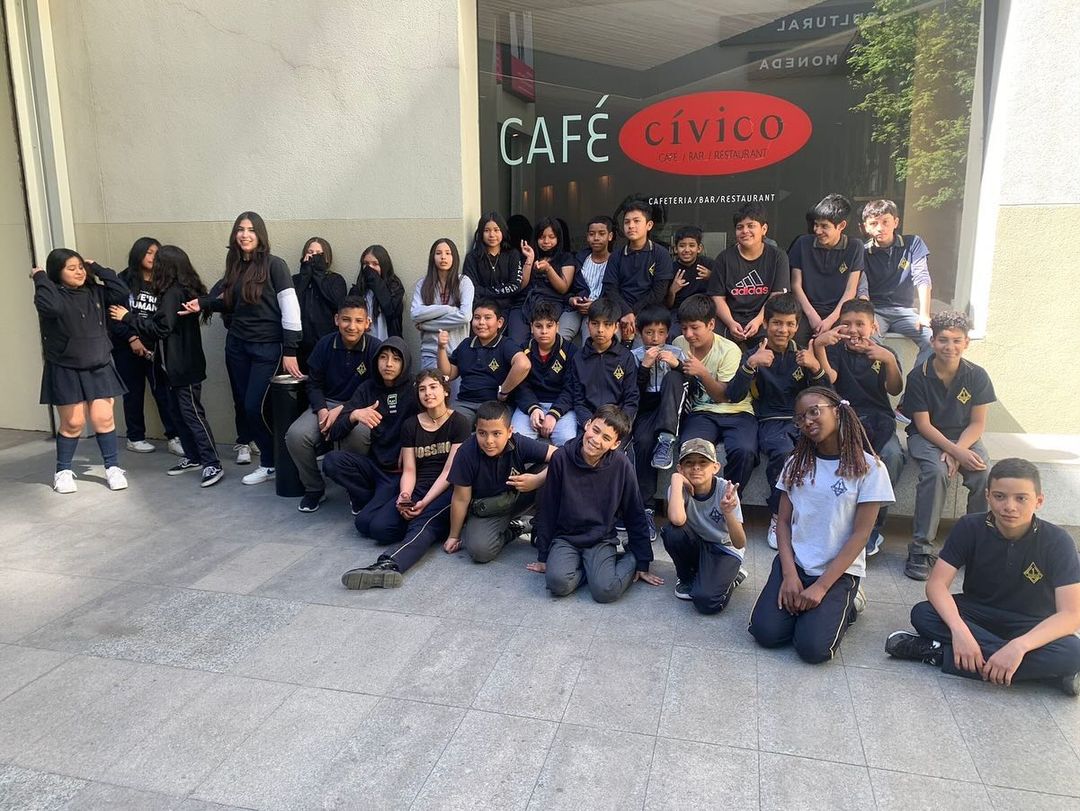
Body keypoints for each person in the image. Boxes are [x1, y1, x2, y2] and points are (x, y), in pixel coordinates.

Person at [886, 458, 1080, 696]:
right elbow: (936, 585)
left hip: (1029, 623)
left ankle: (940, 654)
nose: (1009, 506)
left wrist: (1019, 647)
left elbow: (1071, 614)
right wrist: (961, 632)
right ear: (988, 496)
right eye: (1000, 496)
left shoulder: (1057, 541)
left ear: (1038, 501)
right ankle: (1045, 674)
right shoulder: (970, 527)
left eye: (1021, 498)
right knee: (923, 613)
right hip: (978, 614)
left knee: (1075, 651)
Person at [748, 387, 894, 663]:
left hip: (837, 572)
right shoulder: (796, 463)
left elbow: (861, 534)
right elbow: (783, 523)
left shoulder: (869, 468)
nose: (807, 421)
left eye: (814, 412)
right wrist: (789, 575)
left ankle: (849, 604)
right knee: (766, 633)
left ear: (837, 412)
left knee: (813, 649)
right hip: (797, 565)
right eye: (800, 418)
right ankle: (811, 609)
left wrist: (821, 587)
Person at [182, 211, 303, 482]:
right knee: (243, 405)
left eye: (250, 229)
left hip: (267, 349)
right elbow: (230, 303)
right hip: (237, 346)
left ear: (260, 235)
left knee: (254, 407)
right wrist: (203, 303)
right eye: (240, 229)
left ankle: (272, 462)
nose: (244, 234)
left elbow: (291, 309)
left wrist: (291, 350)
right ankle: (272, 460)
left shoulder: (275, 265)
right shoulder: (235, 266)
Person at [339, 371, 471, 589]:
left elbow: (449, 471)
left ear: (445, 391)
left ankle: (388, 565)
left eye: (433, 387)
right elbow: (409, 470)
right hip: (419, 485)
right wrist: (405, 496)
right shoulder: (411, 425)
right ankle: (433, 528)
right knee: (378, 528)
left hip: (448, 490)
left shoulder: (459, 422)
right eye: (422, 389)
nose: (428, 393)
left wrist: (424, 502)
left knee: (423, 526)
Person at [109, 245, 223, 488]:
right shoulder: (177, 290)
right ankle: (193, 457)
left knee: (192, 415)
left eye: (158, 261)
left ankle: (212, 463)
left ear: (168, 266)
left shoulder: (173, 293)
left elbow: (161, 328)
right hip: (170, 366)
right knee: (178, 413)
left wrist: (127, 318)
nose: (154, 266)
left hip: (182, 367)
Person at [527, 405, 664, 602]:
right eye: (595, 430)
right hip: (566, 537)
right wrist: (543, 555)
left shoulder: (621, 465)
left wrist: (642, 560)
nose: (596, 440)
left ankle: (629, 558)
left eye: (606, 438)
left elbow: (634, 512)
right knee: (557, 583)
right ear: (588, 424)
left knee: (605, 591)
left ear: (615, 444)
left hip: (600, 539)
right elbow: (548, 507)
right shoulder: (561, 458)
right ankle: (591, 572)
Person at [725, 294, 827, 548]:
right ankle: (777, 516)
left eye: (790, 324)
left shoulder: (802, 355)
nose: (783, 330)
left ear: (797, 325)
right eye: (777, 323)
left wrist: (815, 367)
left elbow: (825, 395)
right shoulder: (754, 353)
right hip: (769, 421)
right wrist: (751, 365)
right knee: (783, 454)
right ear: (765, 324)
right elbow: (733, 395)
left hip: (802, 421)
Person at [899, 311, 995, 580]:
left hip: (965, 437)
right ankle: (920, 550)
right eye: (943, 340)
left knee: (983, 474)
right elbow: (923, 425)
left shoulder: (977, 375)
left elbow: (977, 424)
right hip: (926, 437)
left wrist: (960, 450)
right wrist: (953, 452)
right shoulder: (918, 376)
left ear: (966, 343)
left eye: (956, 340)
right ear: (932, 341)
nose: (949, 346)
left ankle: (976, 546)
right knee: (936, 472)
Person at [33, 249, 130, 493]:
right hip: (65, 366)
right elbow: (52, 308)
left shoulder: (95, 291)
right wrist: (41, 278)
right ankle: (63, 471)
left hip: (98, 363)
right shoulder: (52, 294)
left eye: (80, 267)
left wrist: (97, 267)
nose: (79, 272)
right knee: (73, 422)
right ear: (57, 272)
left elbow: (122, 292)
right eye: (71, 268)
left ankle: (113, 468)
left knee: (103, 418)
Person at [813, 298, 904, 554]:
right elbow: (829, 380)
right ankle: (837, 523)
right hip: (843, 417)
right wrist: (819, 347)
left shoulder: (884, 353)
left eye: (860, 324)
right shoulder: (835, 350)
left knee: (892, 456)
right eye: (846, 324)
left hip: (879, 419)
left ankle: (872, 527)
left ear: (873, 327)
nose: (853, 330)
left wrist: (889, 361)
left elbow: (895, 389)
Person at [284, 296, 382, 512]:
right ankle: (314, 488)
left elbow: (376, 389)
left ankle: (355, 488)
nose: (352, 326)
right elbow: (314, 384)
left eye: (358, 320)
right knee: (296, 435)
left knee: (358, 435)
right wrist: (321, 410)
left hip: (360, 407)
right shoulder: (325, 344)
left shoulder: (375, 348)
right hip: (326, 404)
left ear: (367, 323)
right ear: (337, 319)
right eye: (346, 319)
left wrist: (345, 410)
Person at [444, 400, 555, 563]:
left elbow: (560, 456)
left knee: (552, 470)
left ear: (509, 432)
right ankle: (516, 528)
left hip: (518, 496)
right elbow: (461, 499)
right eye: (482, 433)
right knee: (479, 551)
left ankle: (541, 528)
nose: (489, 441)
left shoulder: (518, 442)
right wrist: (454, 536)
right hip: (487, 509)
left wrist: (537, 480)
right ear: (476, 430)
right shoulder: (466, 453)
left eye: (496, 434)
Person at [322, 336, 419, 520]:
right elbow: (334, 432)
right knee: (332, 461)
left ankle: (377, 504)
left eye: (396, 359)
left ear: (405, 362)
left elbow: (434, 420)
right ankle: (365, 497)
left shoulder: (415, 387)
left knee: (371, 523)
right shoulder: (367, 388)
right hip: (376, 466)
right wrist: (354, 415)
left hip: (405, 471)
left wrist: (410, 445)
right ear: (376, 360)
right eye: (383, 357)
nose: (388, 364)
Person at [674, 294, 757, 496]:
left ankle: (729, 500)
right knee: (690, 449)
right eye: (684, 328)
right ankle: (697, 502)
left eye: (695, 327)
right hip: (701, 412)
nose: (689, 334)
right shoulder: (678, 343)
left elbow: (724, 397)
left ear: (711, 324)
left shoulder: (729, 350)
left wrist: (702, 372)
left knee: (744, 450)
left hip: (737, 412)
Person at [109, 237, 182, 456]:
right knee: (133, 393)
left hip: (156, 346)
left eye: (156, 253)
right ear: (138, 253)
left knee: (164, 392)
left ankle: (174, 436)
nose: (153, 257)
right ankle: (135, 437)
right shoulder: (123, 280)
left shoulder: (164, 281)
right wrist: (132, 338)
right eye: (148, 252)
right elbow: (114, 316)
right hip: (126, 347)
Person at [663, 438, 748, 614]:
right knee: (672, 532)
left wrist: (728, 512)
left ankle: (732, 577)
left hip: (724, 550)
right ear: (680, 468)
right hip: (699, 545)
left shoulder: (726, 490)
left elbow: (740, 543)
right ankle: (687, 578)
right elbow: (677, 520)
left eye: (703, 462)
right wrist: (676, 480)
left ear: (715, 467)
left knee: (706, 602)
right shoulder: (678, 487)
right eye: (689, 463)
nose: (696, 467)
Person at [546, 296, 638, 437]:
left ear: (616, 327)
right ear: (588, 324)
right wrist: (587, 422)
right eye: (595, 323)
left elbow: (631, 397)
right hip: (588, 422)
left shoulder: (626, 357)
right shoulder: (578, 358)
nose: (600, 330)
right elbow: (578, 399)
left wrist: (621, 425)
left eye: (607, 324)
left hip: (617, 425)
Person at [860, 199, 933, 365]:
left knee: (932, 340)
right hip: (876, 311)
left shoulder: (913, 243)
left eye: (885, 222)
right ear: (866, 227)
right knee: (867, 341)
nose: (880, 228)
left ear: (896, 222)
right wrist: (868, 316)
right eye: (873, 223)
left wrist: (924, 314)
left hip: (904, 311)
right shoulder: (862, 252)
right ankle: (880, 381)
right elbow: (861, 288)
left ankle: (917, 379)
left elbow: (922, 277)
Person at [630, 304, 688, 513]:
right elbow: (633, 392)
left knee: (673, 377)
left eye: (661, 332)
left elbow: (691, 384)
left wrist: (677, 365)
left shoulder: (677, 352)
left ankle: (666, 438)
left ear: (668, 333)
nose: (655, 338)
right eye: (649, 332)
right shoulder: (634, 356)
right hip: (646, 409)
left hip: (673, 409)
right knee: (643, 442)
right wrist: (644, 367)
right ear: (639, 333)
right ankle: (646, 506)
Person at [437, 299, 531, 424]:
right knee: (449, 425)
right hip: (464, 403)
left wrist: (503, 391)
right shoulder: (466, 344)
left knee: (490, 429)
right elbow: (448, 374)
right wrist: (441, 348)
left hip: (495, 405)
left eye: (487, 318)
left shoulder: (506, 344)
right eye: (477, 317)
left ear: (499, 322)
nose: (481, 322)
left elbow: (524, 365)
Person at [789, 193, 865, 346]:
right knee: (795, 340)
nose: (817, 231)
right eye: (816, 225)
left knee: (839, 344)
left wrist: (830, 320)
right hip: (805, 310)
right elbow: (795, 285)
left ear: (841, 226)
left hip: (838, 312)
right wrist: (812, 316)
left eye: (824, 226)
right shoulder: (802, 243)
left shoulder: (855, 247)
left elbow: (850, 290)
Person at [710, 203, 790, 345]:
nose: (745, 231)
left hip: (765, 317)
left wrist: (758, 321)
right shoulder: (724, 258)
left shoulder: (778, 256)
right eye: (740, 227)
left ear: (764, 229)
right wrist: (731, 323)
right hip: (731, 317)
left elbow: (777, 296)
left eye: (751, 226)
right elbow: (717, 297)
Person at [601, 199, 674, 343]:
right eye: (627, 222)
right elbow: (611, 289)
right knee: (607, 342)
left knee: (643, 347)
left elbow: (658, 293)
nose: (631, 226)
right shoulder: (616, 255)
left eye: (636, 221)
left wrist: (632, 313)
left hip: (650, 313)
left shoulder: (661, 254)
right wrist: (625, 312)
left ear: (649, 225)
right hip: (620, 312)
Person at [511, 300, 578, 446]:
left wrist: (554, 414)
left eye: (549, 326)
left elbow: (571, 388)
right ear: (531, 327)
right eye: (538, 326)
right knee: (516, 440)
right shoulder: (522, 350)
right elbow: (520, 385)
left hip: (562, 407)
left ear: (557, 326)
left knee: (567, 441)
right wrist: (533, 408)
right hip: (529, 405)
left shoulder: (571, 351)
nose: (544, 331)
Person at [462, 212, 534, 344]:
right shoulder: (472, 258)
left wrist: (487, 291)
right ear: (481, 233)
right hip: (482, 309)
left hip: (509, 308)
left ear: (503, 231)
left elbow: (515, 285)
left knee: (514, 341)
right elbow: (472, 288)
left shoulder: (512, 254)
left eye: (496, 230)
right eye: (487, 230)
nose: (492, 235)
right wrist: (497, 293)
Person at [411, 238, 474, 374]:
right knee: (431, 388)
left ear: (454, 257)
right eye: (438, 253)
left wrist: (425, 325)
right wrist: (448, 309)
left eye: (448, 253)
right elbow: (415, 314)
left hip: (457, 353)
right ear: (432, 257)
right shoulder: (422, 284)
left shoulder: (464, 282)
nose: (443, 257)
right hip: (431, 352)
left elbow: (465, 316)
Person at [292, 237, 346, 372]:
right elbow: (292, 303)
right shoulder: (295, 280)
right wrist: (305, 275)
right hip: (300, 345)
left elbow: (337, 303)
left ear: (326, 257)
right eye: (310, 252)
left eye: (319, 254)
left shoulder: (335, 280)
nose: (314, 256)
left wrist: (318, 274)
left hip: (327, 343)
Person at [524, 217, 577, 339]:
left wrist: (548, 269)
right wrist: (529, 260)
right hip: (529, 302)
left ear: (558, 238)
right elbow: (522, 284)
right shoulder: (530, 256)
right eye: (542, 237)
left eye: (551, 237)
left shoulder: (566, 258)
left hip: (554, 303)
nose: (546, 241)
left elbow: (563, 288)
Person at [565, 215, 614, 342]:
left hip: (602, 312)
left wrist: (596, 305)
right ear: (587, 237)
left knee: (593, 342)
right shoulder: (578, 259)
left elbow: (617, 295)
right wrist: (571, 299)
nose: (596, 238)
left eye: (601, 233)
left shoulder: (616, 262)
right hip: (576, 309)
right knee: (558, 337)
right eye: (592, 234)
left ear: (610, 236)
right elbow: (566, 288)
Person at [350, 244, 404, 340]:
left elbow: (390, 310)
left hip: (387, 342)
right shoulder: (357, 291)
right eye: (366, 264)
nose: (370, 268)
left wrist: (374, 280)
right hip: (363, 343)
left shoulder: (395, 288)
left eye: (375, 264)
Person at [665, 226, 713, 329]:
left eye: (692, 245)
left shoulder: (708, 264)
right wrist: (672, 291)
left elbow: (721, 292)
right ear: (675, 249)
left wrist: (712, 277)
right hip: (679, 313)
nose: (687, 250)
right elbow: (667, 305)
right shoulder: (669, 269)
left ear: (699, 248)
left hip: (704, 311)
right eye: (682, 246)